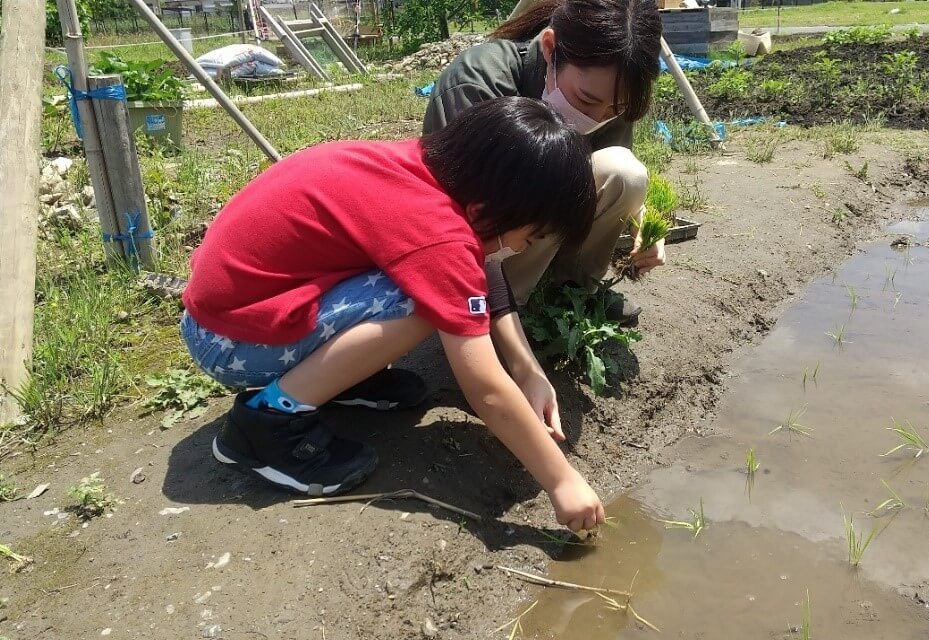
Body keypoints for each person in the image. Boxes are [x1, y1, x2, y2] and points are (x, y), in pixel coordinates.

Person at [180, 97, 606, 532]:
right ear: (483, 212)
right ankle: (267, 422)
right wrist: (562, 481)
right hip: (229, 342)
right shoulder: (439, 234)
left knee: (437, 287)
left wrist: (526, 369)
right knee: (424, 301)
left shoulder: (418, 166)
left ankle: (343, 378)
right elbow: (486, 388)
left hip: (227, 311)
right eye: (529, 238)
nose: (519, 251)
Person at [424, 0, 665, 324]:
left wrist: (644, 224)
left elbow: (610, 173)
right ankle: (501, 308)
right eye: (586, 100)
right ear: (550, 49)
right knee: (551, 181)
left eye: (614, 108)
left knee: (626, 173)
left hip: (532, 233)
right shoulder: (477, 84)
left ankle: (571, 295)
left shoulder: (612, 92)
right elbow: (464, 211)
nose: (598, 117)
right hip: (474, 240)